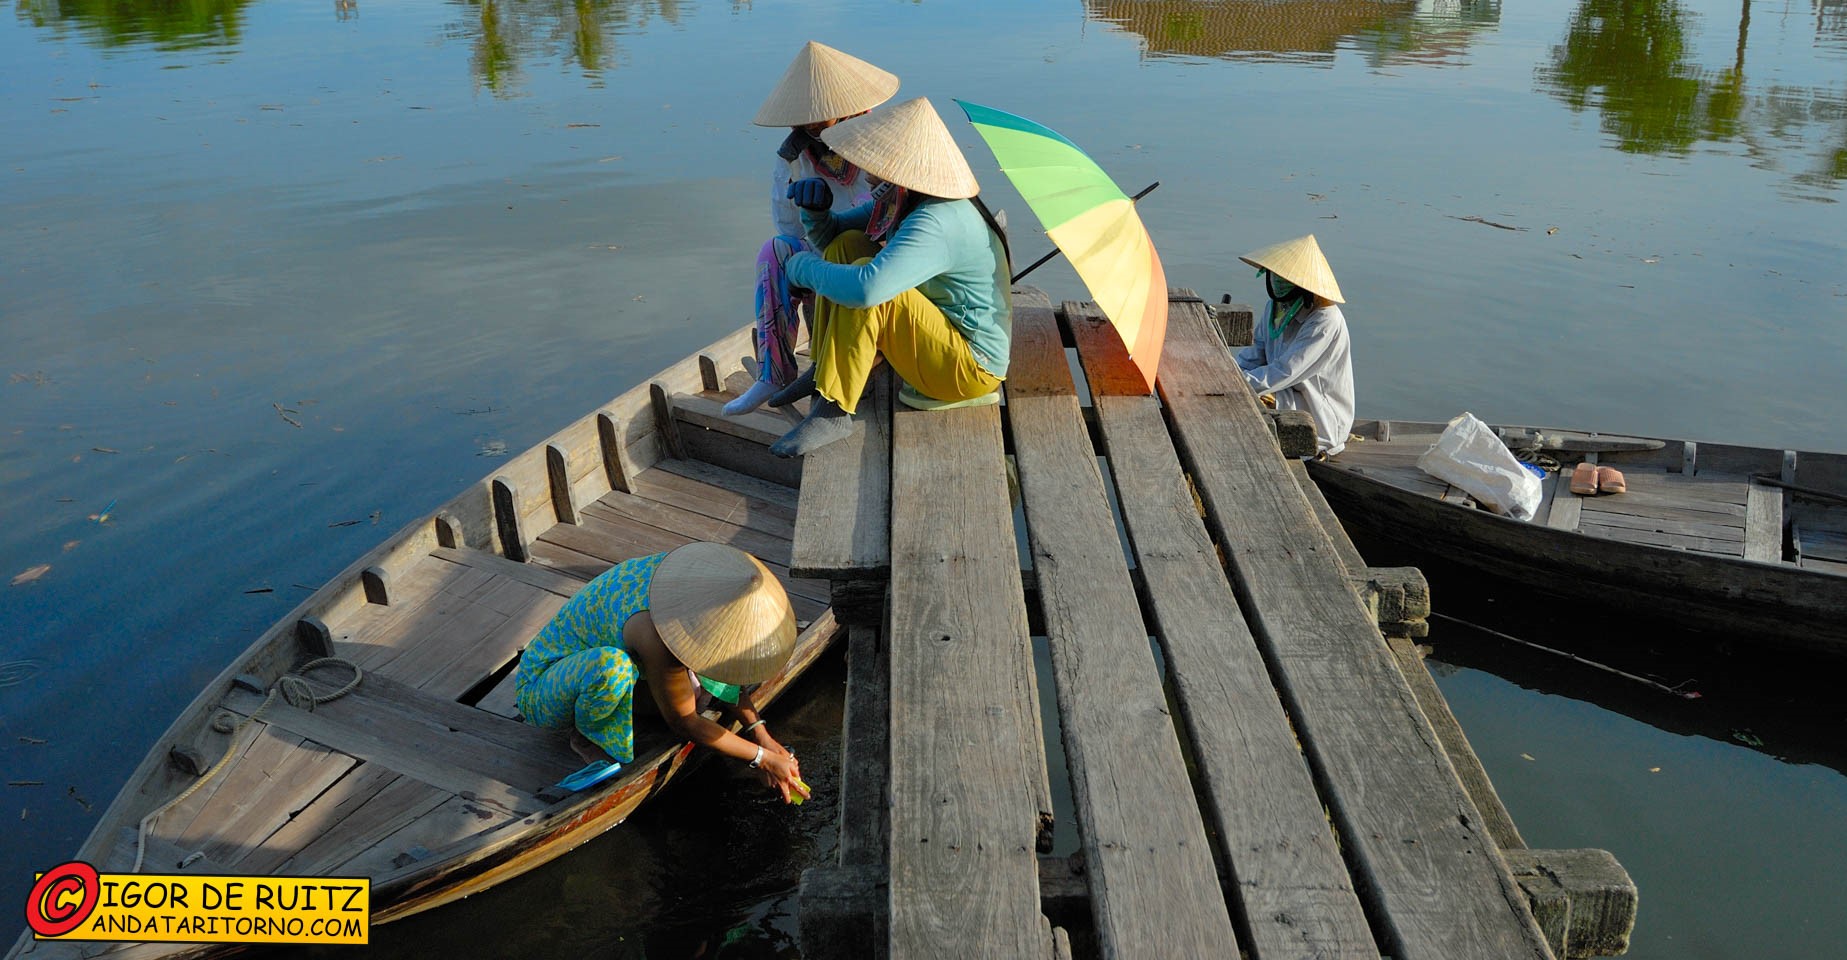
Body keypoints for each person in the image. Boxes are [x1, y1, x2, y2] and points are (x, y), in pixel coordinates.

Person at [766, 97, 1013, 457]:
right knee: (848, 245)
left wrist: (800, 268)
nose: (865, 172)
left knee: (873, 286)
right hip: (940, 341)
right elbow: (833, 236)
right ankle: (823, 373)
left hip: (968, 371)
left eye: (873, 164)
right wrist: (815, 211)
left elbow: (867, 289)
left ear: (898, 169)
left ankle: (834, 409)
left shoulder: (937, 220)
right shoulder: (908, 200)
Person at [513, 541, 810, 802]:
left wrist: (761, 734)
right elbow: (685, 722)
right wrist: (762, 759)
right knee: (615, 669)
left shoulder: (688, 584)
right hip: (542, 687)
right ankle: (587, 738)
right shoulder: (656, 633)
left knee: (695, 686)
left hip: (601, 665)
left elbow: (721, 674)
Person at [725, 42, 898, 417]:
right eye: (805, 117)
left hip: (877, 262)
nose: (812, 124)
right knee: (775, 251)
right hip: (825, 256)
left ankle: (841, 372)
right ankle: (775, 372)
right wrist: (811, 209)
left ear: (846, 108)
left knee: (848, 245)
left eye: (821, 115)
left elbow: (895, 217)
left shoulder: (882, 141)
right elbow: (788, 226)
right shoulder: (794, 155)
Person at [1234, 234, 1355, 457]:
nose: (1278, 283)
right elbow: (1255, 354)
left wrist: (1235, 384)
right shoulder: (1274, 307)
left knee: (1245, 404)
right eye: (1276, 276)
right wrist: (1229, 373)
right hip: (1283, 392)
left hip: (1317, 412)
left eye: (1285, 280)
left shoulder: (1324, 319)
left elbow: (1285, 371)